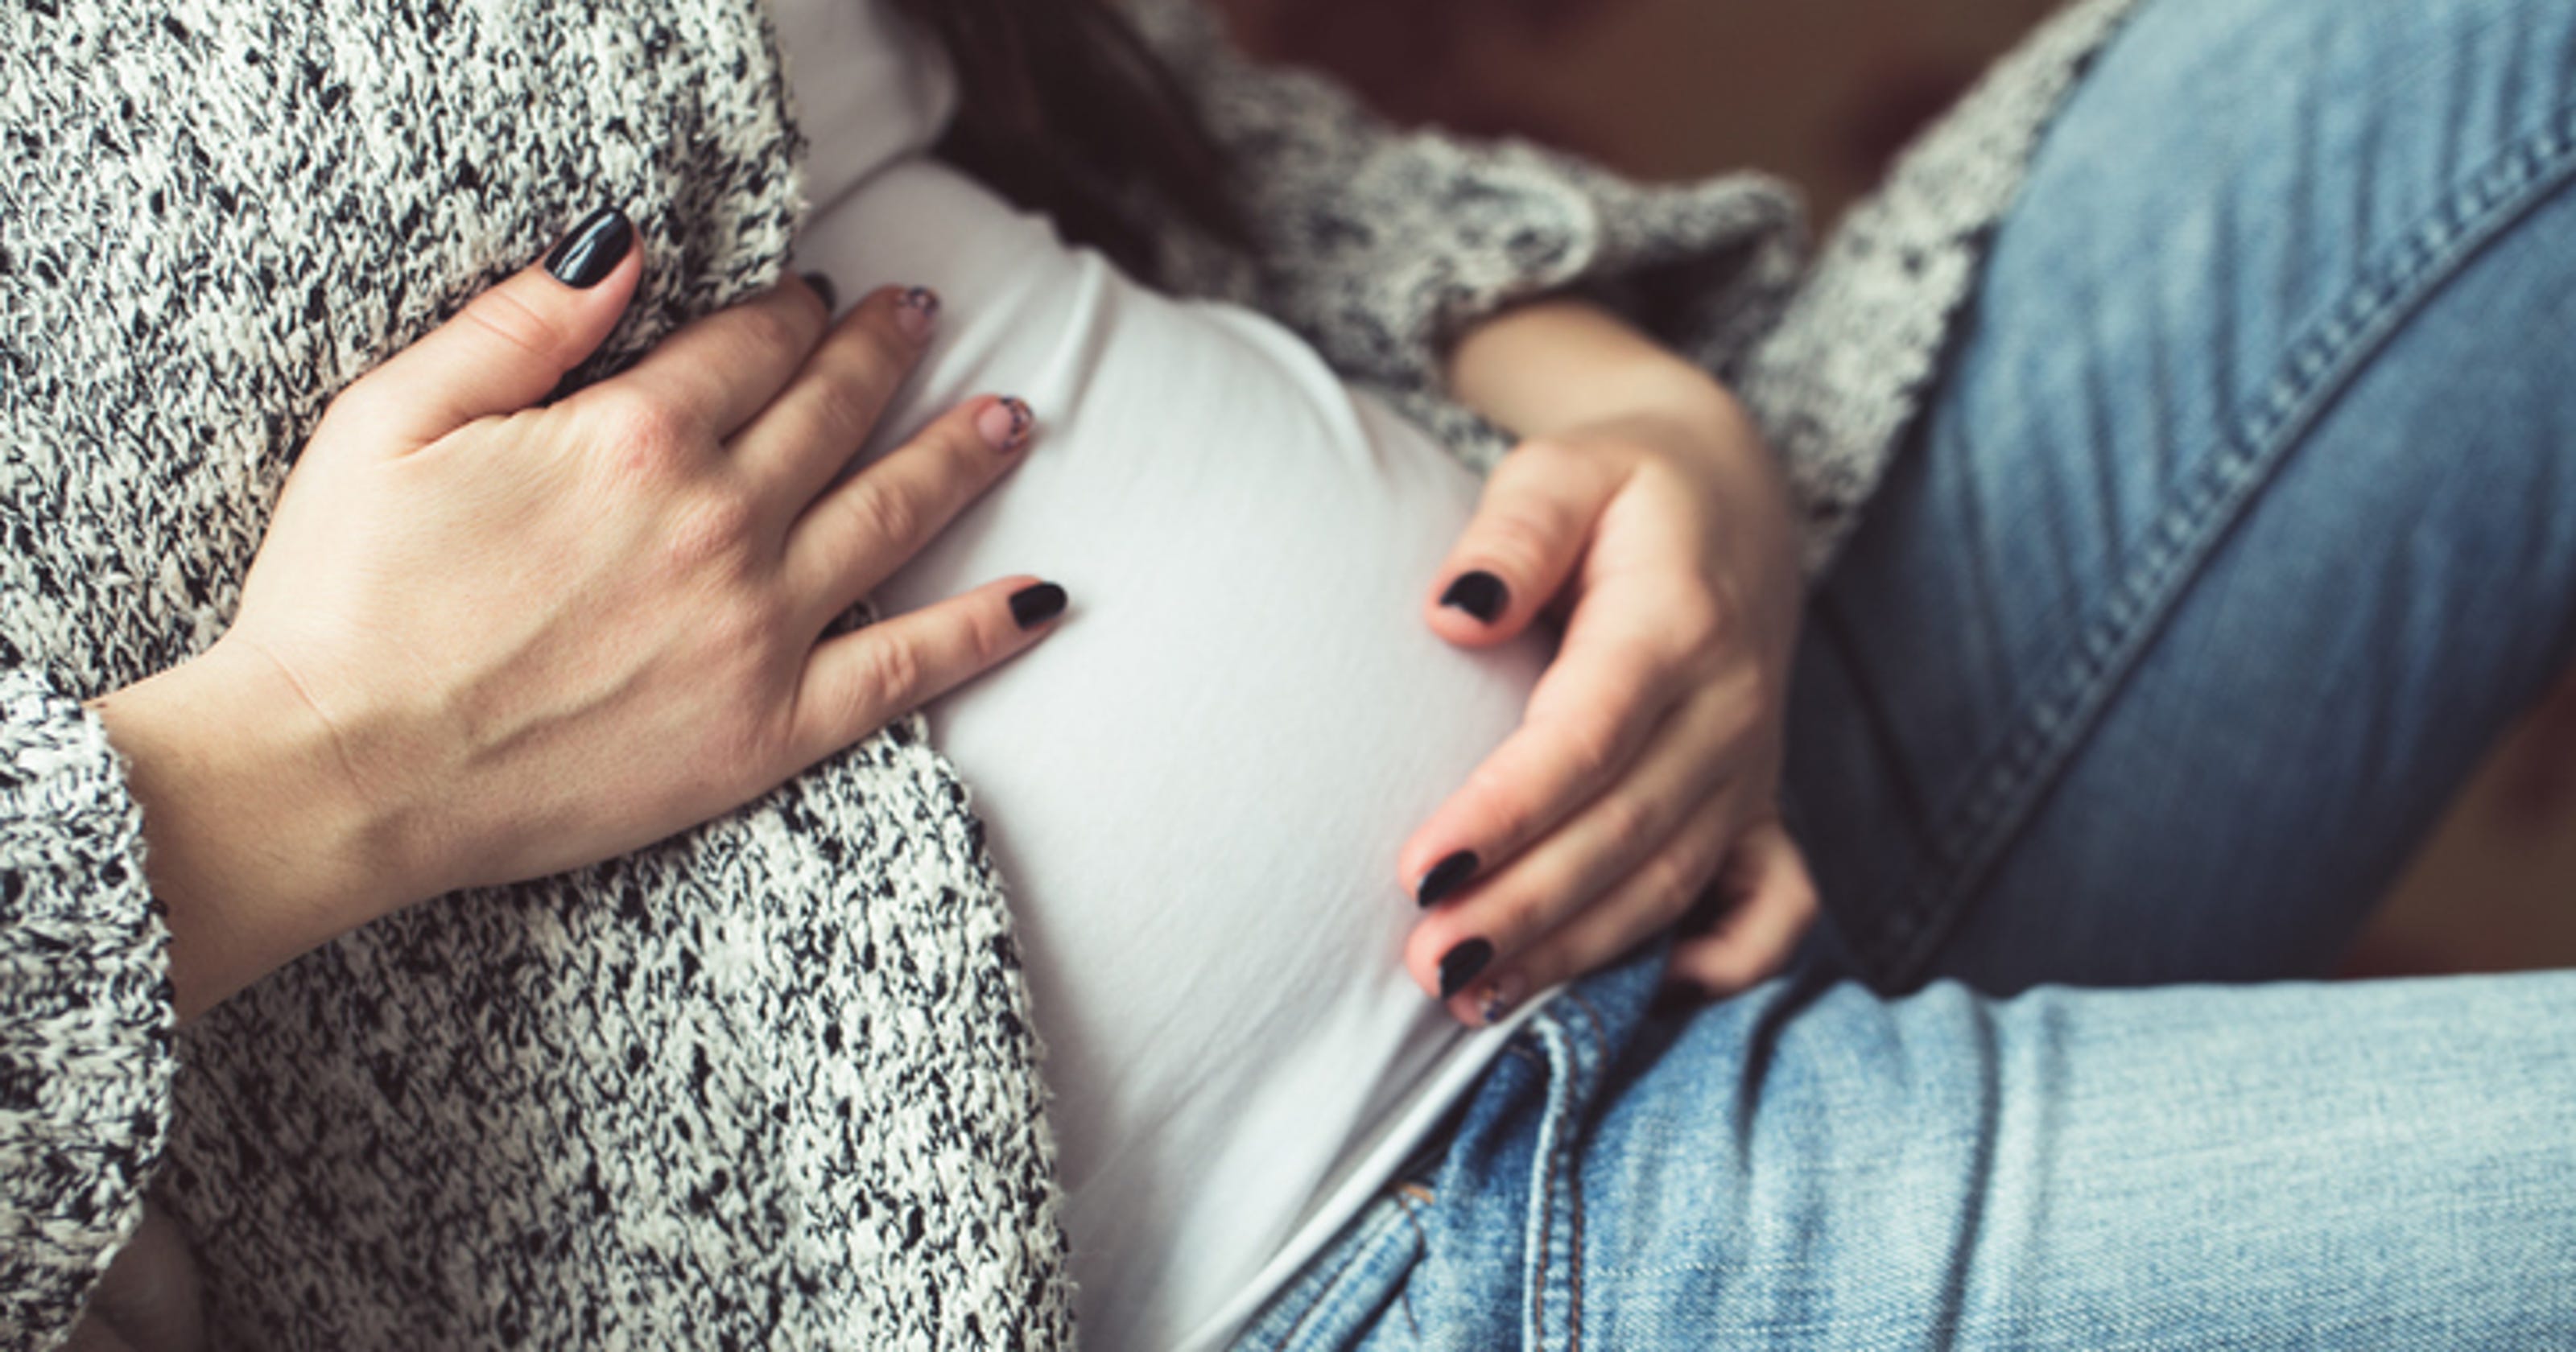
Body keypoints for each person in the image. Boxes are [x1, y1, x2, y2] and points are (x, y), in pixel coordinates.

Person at [4, 2, 2572, 1350]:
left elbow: (1073, 121)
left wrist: (1626, 410)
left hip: (1731, 713)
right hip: (1373, 1257)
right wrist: (315, 766)